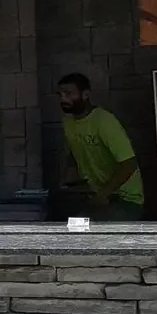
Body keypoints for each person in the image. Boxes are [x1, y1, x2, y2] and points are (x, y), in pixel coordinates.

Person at [57, 73, 143, 221]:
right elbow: (73, 152)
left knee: (89, 233)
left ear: (86, 94)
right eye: (60, 94)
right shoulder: (67, 123)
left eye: (69, 93)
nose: (63, 99)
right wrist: (67, 180)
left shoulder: (104, 121)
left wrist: (104, 194)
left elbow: (129, 163)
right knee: (74, 228)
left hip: (125, 198)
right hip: (97, 196)